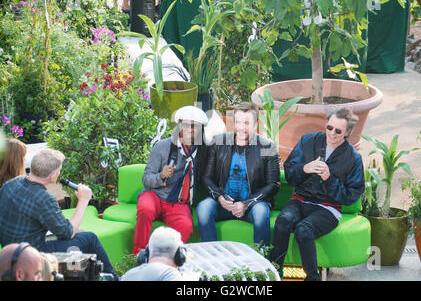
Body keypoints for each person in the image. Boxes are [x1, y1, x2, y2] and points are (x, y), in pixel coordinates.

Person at [268, 107, 365, 281]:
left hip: (328, 208)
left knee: (304, 230)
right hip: (300, 199)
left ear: (347, 132)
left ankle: (313, 278)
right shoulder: (308, 141)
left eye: (338, 131)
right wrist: (304, 169)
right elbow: (290, 174)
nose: (332, 134)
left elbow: (352, 196)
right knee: (282, 222)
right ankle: (274, 273)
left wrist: (329, 179)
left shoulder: (354, 158)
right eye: (329, 128)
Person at [0, 148, 118, 280]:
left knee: (79, 232)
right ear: (52, 176)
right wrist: (83, 200)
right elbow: (67, 232)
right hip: (32, 253)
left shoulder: (10, 184)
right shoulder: (44, 198)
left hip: (10, 249)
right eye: (59, 170)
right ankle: (112, 278)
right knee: (89, 238)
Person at [196, 102, 280, 248]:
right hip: (223, 203)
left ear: (255, 124)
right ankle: (214, 258)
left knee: (261, 213)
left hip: (253, 205)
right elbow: (206, 177)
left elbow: (274, 184)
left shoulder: (268, 146)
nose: (241, 127)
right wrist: (220, 197)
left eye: (246, 123)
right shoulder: (218, 142)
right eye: (238, 122)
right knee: (203, 208)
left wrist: (246, 204)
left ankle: (261, 264)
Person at [133, 106, 208, 255]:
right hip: (154, 195)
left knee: (186, 226)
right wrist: (160, 176)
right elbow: (146, 179)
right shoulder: (161, 147)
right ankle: (139, 254)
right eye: (187, 125)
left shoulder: (203, 152)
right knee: (145, 209)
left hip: (178, 200)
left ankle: (166, 258)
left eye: (195, 127)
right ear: (180, 124)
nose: (191, 130)